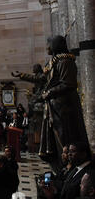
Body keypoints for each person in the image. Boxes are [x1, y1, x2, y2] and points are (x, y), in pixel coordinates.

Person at [12, 35, 88, 171]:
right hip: (53, 106)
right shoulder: (54, 61)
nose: (47, 47)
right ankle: (60, 165)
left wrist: (48, 93)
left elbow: (68, 84)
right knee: (54, 138)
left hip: (64, 106)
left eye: (49, 44)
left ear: (55, 45)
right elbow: (41, 78)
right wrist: (22, 75)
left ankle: (69, 166)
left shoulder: (65, 61)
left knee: (64, 136)